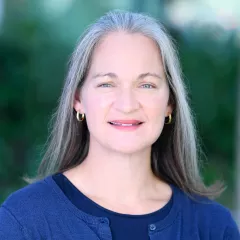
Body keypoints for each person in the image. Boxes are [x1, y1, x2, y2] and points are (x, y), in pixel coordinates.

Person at [0, 10, 239, 240]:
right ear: (78, 100)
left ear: (170, 103)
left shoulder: (213, 227)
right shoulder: (23, 221)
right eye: (107, 84)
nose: (127, 105)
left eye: (146, 85)